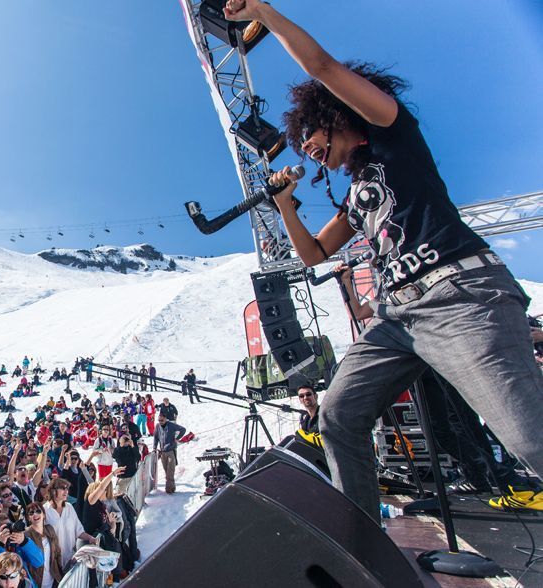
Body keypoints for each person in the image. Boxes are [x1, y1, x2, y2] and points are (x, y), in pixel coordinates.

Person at [222, 0, 543, 521]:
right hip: (397, 318)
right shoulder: (356, 194)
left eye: (310, 135)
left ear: (333, 116)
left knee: (530, 438)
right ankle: (364, 541)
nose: (306, 148)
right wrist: (284, 206)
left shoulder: (394, 133)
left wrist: (265, 13)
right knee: (338, 416)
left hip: (458, 295)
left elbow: (323, 69)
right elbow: (314, 253)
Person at [43, 478, 97, 570]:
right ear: (53, 491)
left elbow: (78, 531)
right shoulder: (44, 510)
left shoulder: (69, 507)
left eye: (67, 488)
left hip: (70, 559)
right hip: (52, 562)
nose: (66, 491)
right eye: (62, 488)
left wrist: (90, 538)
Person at [24, 503, 63, 588]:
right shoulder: (25, 535)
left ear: (44, 515)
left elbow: (57, 553)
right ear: (28, 518)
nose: (35, 514)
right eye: (31, 513)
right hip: (35, 582)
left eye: (38, 511)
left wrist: (61, 571)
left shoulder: (50, 529)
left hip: (53, 579)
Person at [154, 413, 186, 494]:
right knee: (166, 470)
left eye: (162, 420)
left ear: (166, 419)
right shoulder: (158, 426)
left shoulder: (171, 425)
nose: (160, 422)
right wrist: (154, 447)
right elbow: (156, 437)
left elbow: (183, 429)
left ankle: (168, 489)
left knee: (170, 471)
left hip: (171, 451)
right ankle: (172, 487)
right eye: (159, 420)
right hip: (162, 452)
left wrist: (177, 438)